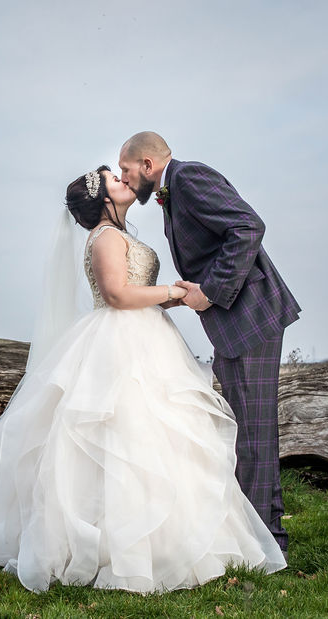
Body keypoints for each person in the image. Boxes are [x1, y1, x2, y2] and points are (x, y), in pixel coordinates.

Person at [0, 165, 286, 593]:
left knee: (159, 437)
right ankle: (114, 546)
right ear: (102, 200)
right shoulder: (106, 238)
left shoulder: (122, 235)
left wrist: (176, 296)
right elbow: (116, 295)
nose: (124, 182)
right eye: (113, 180)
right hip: (116, 343)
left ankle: (166, 540)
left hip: (149, 338)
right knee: (121, 436)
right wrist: (174, 293)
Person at [118, 132, 301, 555]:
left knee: (252, 435)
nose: (126, 180)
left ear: (147, 165)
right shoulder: (175, 188)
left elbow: (248, 226)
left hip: (252, 316)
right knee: (248, 433)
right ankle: (267, 535)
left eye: (127, 171)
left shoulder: (189, 178)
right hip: (234, 322)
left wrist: (211, 291)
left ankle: (263, 542)